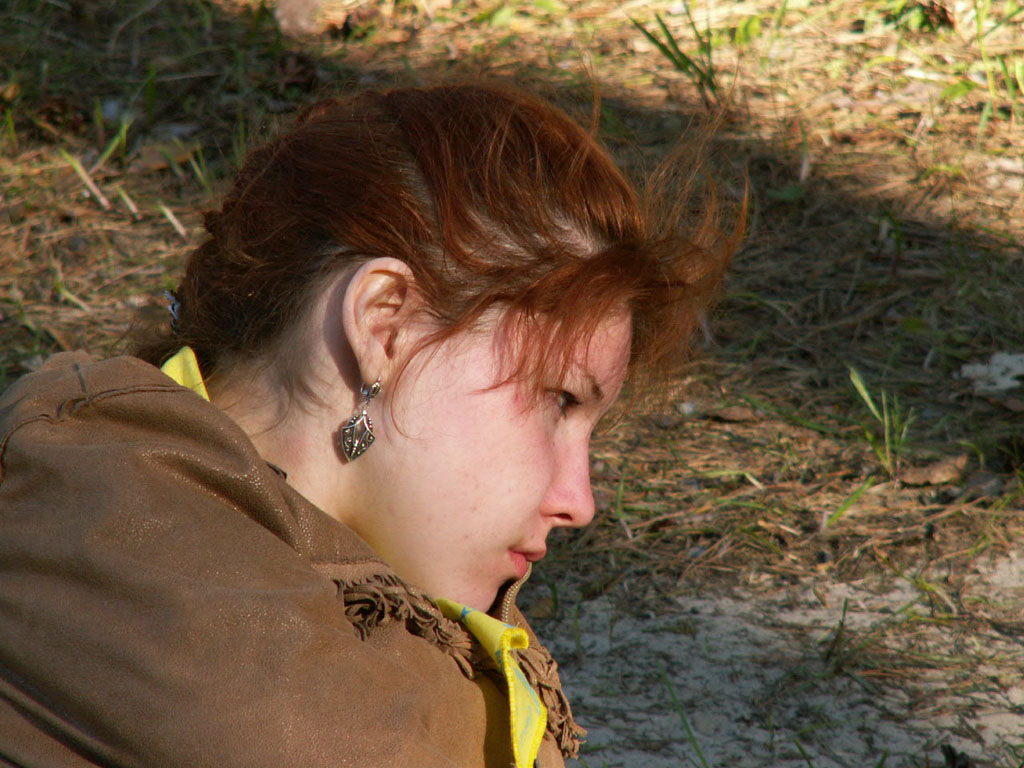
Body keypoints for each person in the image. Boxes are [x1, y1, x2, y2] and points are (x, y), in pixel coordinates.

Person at [0, 83, 738, 767]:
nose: (579, 500)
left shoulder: (121, 495)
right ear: (385, 326)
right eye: (559, 401)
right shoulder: (121, 564)